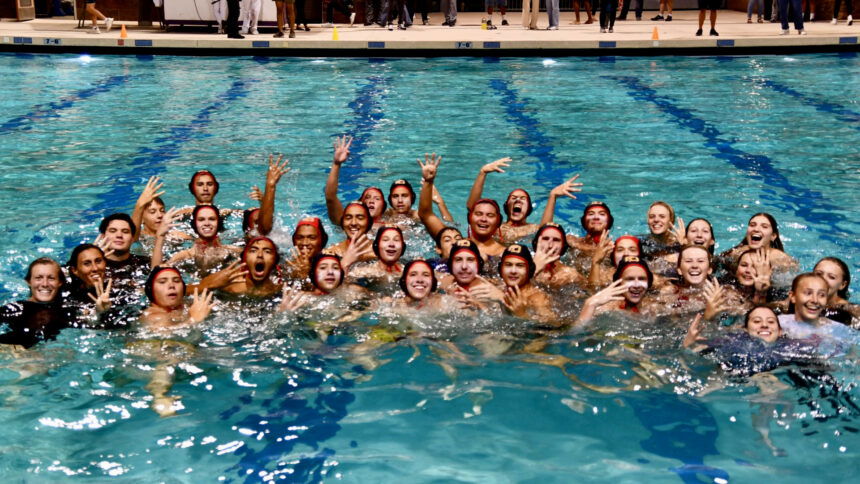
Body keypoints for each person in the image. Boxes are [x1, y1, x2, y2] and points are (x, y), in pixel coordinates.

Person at [466, 157, 582, 244]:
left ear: (529, 209)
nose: (518, 200)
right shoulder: (495, 226)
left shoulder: (533, 229)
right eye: (513, 198)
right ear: (507, 207)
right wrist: (482, 173)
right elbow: (473, 208)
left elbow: (546, 231)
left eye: (523, 198)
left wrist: (552, 196)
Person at [0, 258, 74, 348]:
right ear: (29, 282)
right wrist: (11, 350)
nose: (45, 284)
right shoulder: (13, 310)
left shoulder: (69, 310)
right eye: (38, 278)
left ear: (60, 282)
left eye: (51, 278)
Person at [778, 273, 859, 352]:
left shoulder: (838, 330)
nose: (815, 300)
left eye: (822, 295)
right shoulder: (778, 324)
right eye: (808, 293)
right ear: (793, 296)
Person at [577, 256, 655, 325]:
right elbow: (576, 333)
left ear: (649, 282)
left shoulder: (655, 308)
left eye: (642, 279)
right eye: (629, 279)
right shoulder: (605, 309)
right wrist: (590, 304)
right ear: (618, 283)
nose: (636, 285)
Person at [162, 205, 241, 273]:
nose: (207, 223)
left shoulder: (234, 251)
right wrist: (160, 236)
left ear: (218, 223)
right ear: (195, 224)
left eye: (212, 219)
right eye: (201, 219)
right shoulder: (183, 256)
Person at [496, 244, 557, 325]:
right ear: (500, 269)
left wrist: (522, 315)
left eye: (520, 265)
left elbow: (553, 326)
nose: (513, 271)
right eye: (508, 264)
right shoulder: (497, 288)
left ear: (530, 271)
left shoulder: (537, 299)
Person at [97, 213, 152, 301]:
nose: (119, 235)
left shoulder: (145, 263)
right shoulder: (92, 267)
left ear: (133, 239)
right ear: (102, 236)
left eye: (125, 231)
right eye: (113, 231)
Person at [720, 213, 797, 271]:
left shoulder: (782, 261)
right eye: (752, 225)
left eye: (764, 226)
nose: (756, 229)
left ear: (773, 236)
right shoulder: (736, 254)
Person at [531, 223, 586, 290]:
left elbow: (590, 291)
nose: (550, 245)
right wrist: (534, 270)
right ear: (536, 243)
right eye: (545, 239)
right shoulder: (520, 265)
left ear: (563, 246)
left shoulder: (570, 274)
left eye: (556, 240)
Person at [813, 257, 859, 325]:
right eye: (819, 274)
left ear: (842, 285)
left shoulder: (849, 310)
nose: (823, 279)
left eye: (831, 277)